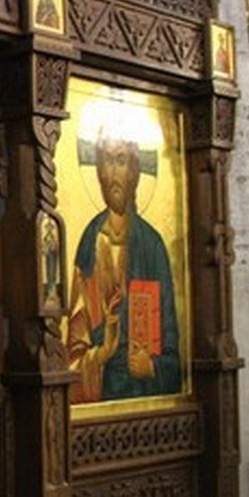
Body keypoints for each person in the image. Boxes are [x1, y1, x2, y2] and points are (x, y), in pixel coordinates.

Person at [65, 129, 181, 403]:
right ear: (98, 172)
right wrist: (103, 353)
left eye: (121, 160)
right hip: (101, 392)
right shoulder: (90, 244)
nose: (114, 173)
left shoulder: (152, 246)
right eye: (107, 160)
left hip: (145, 395)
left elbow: (174, 350)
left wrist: (152, 367)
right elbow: (74, 351)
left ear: (134, 172)